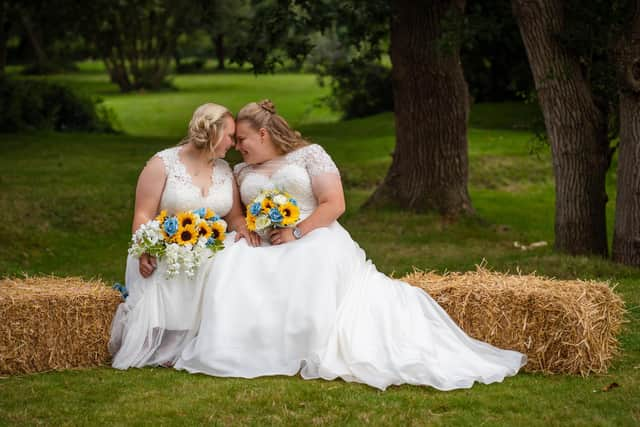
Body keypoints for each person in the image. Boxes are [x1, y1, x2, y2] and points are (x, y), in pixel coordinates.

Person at [175, 100, 527, 391]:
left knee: (307, 264)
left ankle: (307, 342)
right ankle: (248, 346)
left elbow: (334, 204)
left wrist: (298, 232)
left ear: (263, 133)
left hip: (313, 235)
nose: (237, 147)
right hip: (267, 242)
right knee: (235, 265)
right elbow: (239, 214)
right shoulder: (240, 172)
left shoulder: (310, 155)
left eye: (242, 140)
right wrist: (250, 228)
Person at [109, 103, 259, 369]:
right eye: (230, 136)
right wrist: (146, 248)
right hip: (165, 247)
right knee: (176, 264)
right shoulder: (162, 164)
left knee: (236, 262)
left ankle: (221, 339)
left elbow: (234, 216)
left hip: (210, 245)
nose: (234, 144)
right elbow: (143, 216)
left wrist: (245, 230)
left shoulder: (225, 169)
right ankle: (166, 343)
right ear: (212, 133)